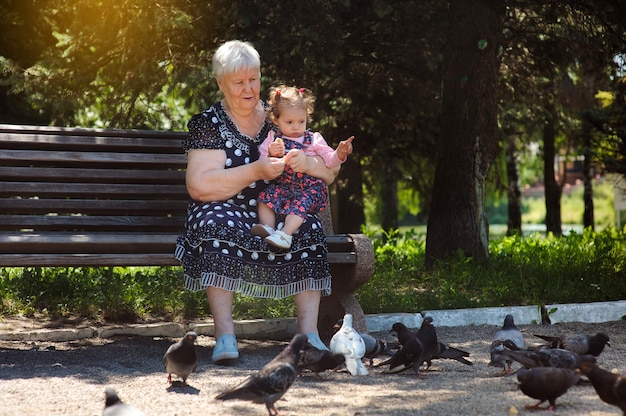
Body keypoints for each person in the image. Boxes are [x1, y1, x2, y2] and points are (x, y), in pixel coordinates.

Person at [174, 40, 347, 363]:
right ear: (220, 83)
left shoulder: (279, 117)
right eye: (239, 82)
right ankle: (225, 335)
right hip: (222, 205)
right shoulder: (208, 124)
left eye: (253, 79)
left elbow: (329, 173)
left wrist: (309, 165)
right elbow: (199, 186)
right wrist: (256, 169)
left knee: (307, 225)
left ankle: (308, 335)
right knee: (216, 223)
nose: (248, 88)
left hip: (277, 204)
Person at [252, 85, 355, 249]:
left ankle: (286, 234)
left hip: (310, 189)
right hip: (284, 186)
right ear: (276, 120)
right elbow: (262, 160)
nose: (296, 127)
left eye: (301, 121)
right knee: (265, 197)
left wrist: (340, 153)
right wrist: (271, 153)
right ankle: (268, 228)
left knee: (299, 206)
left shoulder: (313, 139)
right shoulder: (273, 138)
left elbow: (330, 160)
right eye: (290, 122)